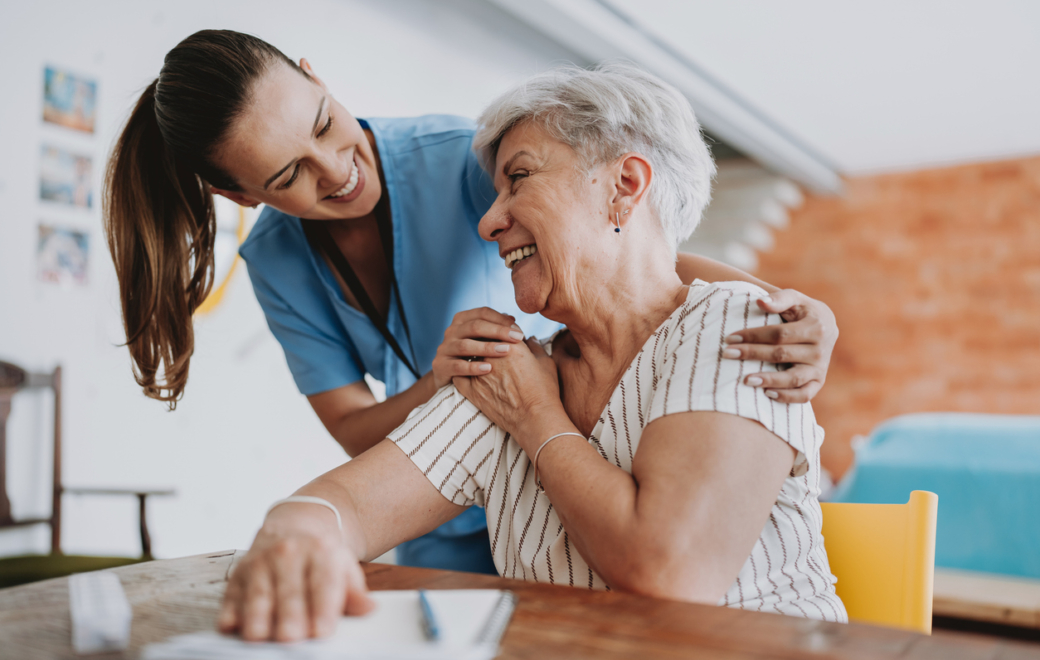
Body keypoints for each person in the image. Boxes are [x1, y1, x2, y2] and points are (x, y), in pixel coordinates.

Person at [102, 30, 839, 575]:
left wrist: (779, 305)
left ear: (316, 77)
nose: (335, 170)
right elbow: (353, 449)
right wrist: (443, 384)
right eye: (289, 174)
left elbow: (623, 252)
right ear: (240, 196)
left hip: (547, 456)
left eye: (324, 123)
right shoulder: (280, 263)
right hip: (461, 485)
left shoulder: (463, 158)